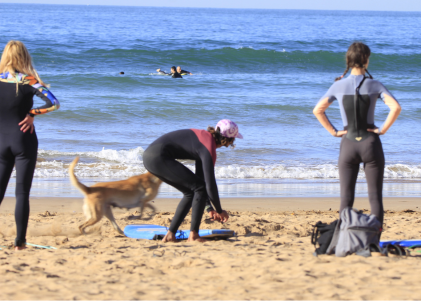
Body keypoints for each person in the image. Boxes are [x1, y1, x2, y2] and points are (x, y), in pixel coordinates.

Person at [313, 42, 401, 226]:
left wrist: (335, 132)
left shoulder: (338, 86)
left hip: (348, 145)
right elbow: (395, 107)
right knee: (375, 197)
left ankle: (346, 239)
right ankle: (374, 242)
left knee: (346, 198)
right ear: (366, 60)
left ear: (348, 61)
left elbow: (318, 110)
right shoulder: (375, 84)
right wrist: (382, 129)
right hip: (371, 144)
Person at [0, 41, 60, 250]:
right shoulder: (29, 81)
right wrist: (31, 114)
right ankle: (19, 242)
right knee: (22, 193)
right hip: (23, 140)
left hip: (0, 141)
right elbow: (54, 103)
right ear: (24, 57)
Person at [142, 119, 243, 242]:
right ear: (228, 140)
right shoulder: (208, 147)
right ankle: (193, 235)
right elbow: (210, 185)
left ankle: (170, 235)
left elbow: (201, 180)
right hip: (158, 157)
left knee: (192, 191)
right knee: (198, 188)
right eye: (233, 140)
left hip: (151, 157)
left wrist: (209, 208)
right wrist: (220, 210)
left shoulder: (204, 140)